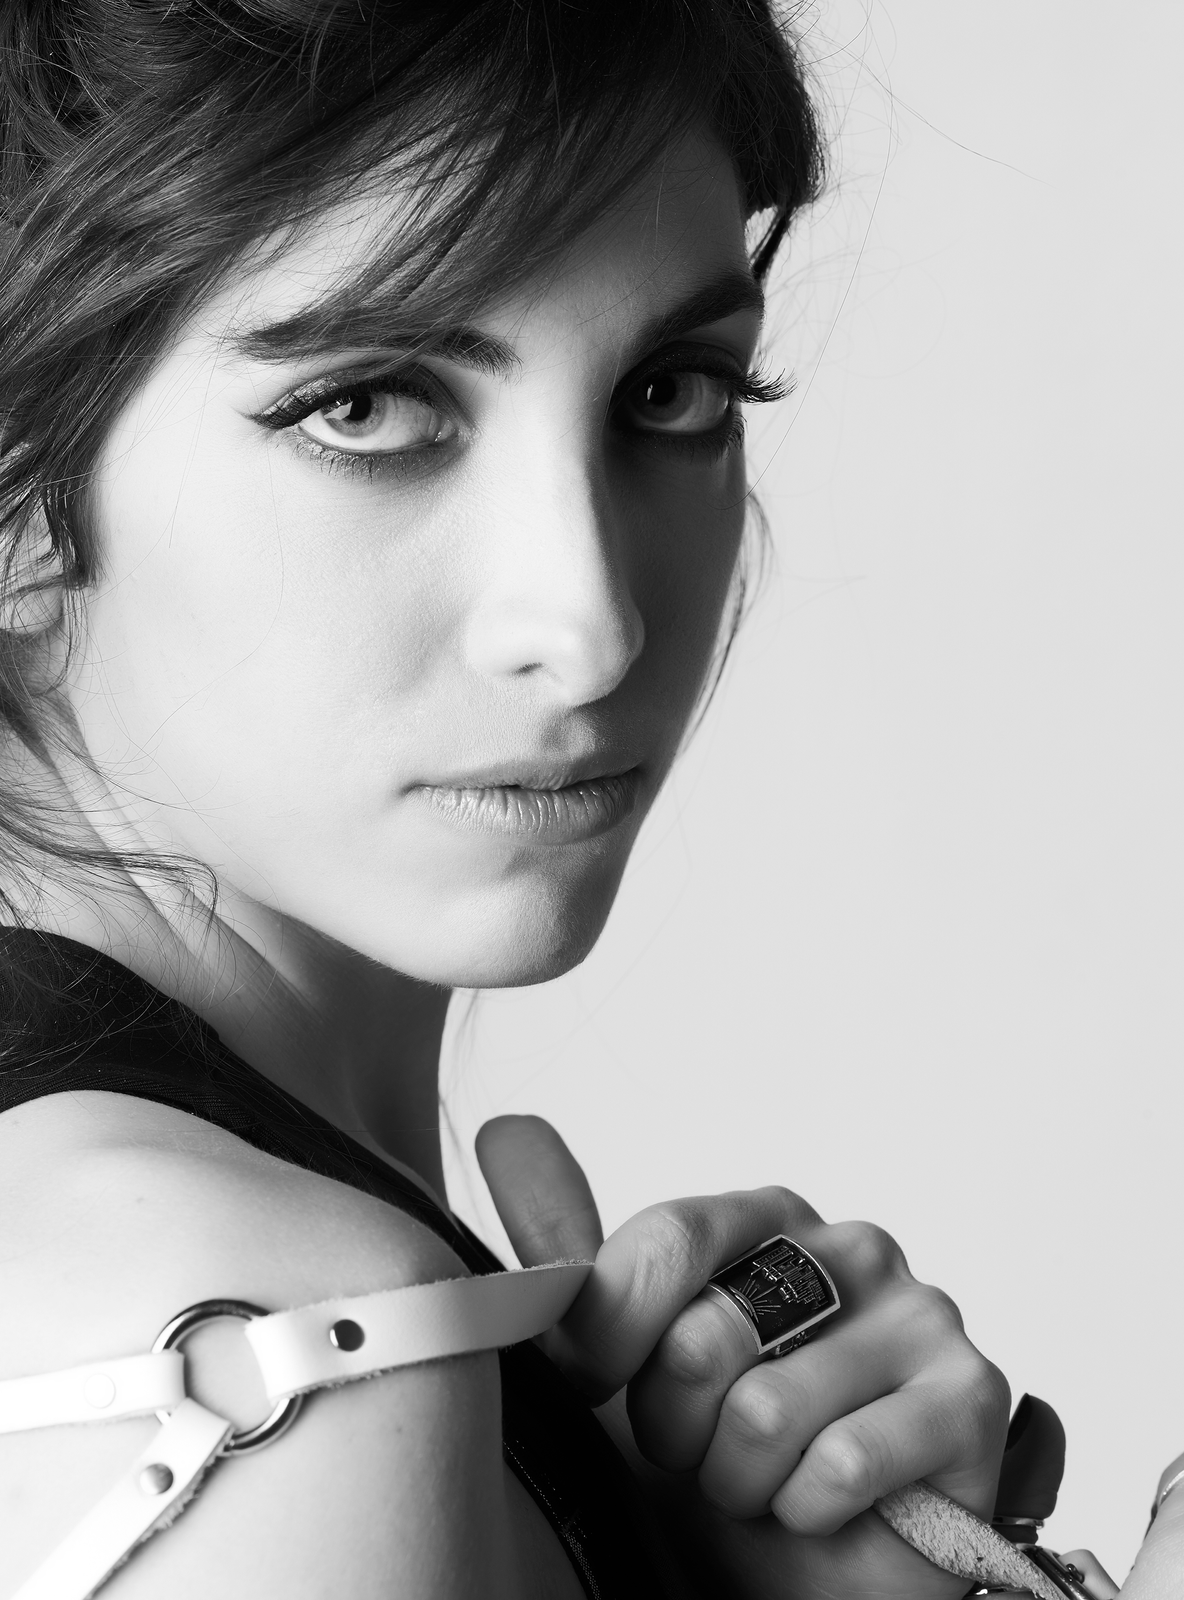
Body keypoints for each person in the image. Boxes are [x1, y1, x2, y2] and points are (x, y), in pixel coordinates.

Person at [0, 3, 1020, 1596]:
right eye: (367, 404)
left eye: (671, 391)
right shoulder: (256, 1342)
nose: (591, 623)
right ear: (20, 500)